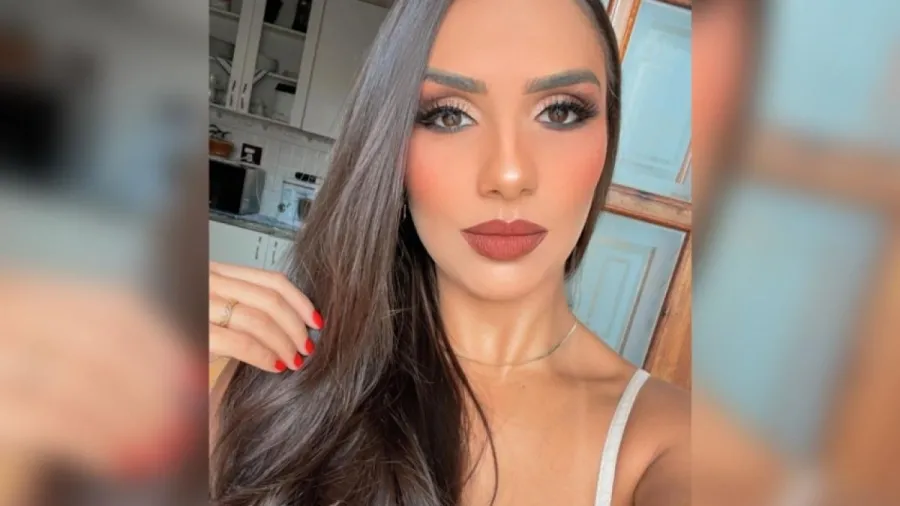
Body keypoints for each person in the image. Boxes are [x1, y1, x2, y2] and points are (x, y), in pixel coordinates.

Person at [209, 0, 689, 505]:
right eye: (449, 115)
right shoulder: (277, 387)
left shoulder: (673, 445)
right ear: (391, 145)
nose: (508, 175)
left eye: (560, 111)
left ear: (608, 133)